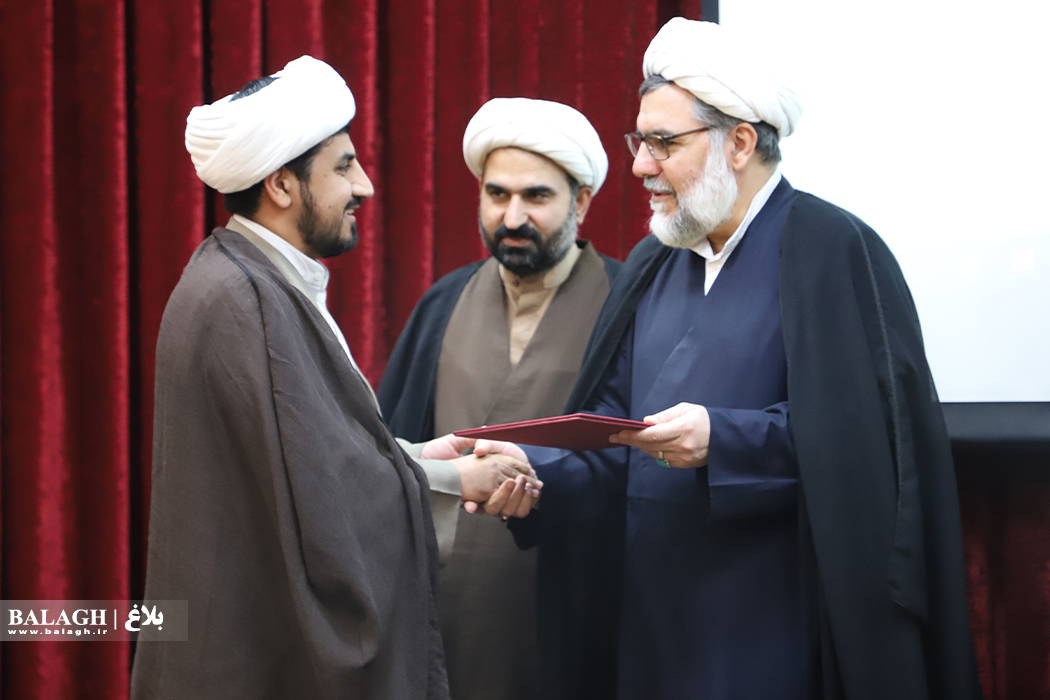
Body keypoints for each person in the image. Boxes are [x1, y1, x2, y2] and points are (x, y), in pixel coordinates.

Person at [508, 18, 983, 700]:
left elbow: (869, 448)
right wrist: (529, 471)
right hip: (648, 626)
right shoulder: (652, 263)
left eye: (664, 143)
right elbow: (609, 432)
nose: (641, 166)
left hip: (772, 624)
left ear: (738, 143)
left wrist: (723, 439)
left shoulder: (830, 248)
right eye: (640, 142)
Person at [130, 56, 537, 700]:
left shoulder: (246, 280)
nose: (364, 185)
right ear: (282, 186)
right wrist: (461, 480)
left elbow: (312, 457)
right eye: (344, 166)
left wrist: (414, 456)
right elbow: (325, 497)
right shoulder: (243, 301)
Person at [378, 98, 620, 700]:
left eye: (536, 196)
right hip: (447, 616)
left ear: (581, 202)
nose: (513, 216)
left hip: (576, 615)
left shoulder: (626, 305)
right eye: (497, 195)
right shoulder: (443, 302)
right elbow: (388, 456)